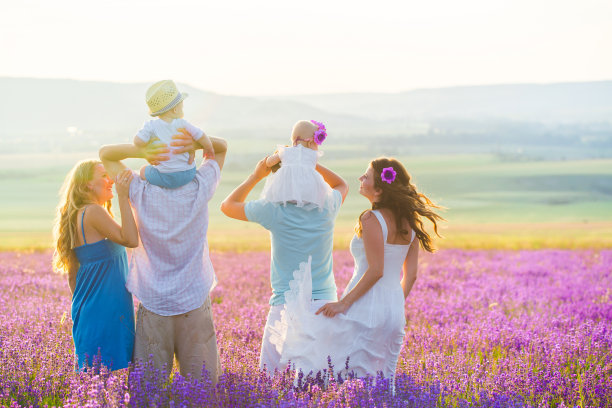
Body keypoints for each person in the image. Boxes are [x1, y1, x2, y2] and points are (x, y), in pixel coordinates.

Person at [274, 157, 444, 382]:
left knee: (338, 368)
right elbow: (411, 276)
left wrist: (344, 303)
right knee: (383, 378)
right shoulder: (410, 224)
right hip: (394, 310)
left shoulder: (371, 218)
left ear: (380, 188)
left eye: (366, 176)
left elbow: (376, 270)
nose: (361, 179)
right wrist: (392, 303)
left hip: (362, 306)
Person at [99, 127, 227, 384]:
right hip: (194, 298)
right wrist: (194, 142)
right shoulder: (201, 185)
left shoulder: (139, 189)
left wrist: (143, 150)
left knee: (149, 389)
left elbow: (106, 155)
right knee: (201, 387)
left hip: (155, 301)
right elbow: (221, 147)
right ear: (188, 159)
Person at [220, 123, 349, 375]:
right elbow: (342, 184)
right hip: (325, 306)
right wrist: (310, 161)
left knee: (272, 381)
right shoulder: (327, 207)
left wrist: (257, 175)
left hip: (284, 307)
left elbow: (228, 205)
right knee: (323, 383)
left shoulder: (273, 211)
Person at [52, 160, 138, 371]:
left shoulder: (77, 215)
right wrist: (123, 196)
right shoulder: (93, 212)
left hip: (89, 310)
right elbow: (131, 239)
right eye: (103, 176)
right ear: (88, 184)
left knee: (94, 382)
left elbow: (72, 276)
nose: (109, 180)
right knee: (109, 382)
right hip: (107, 311)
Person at [134, 79, 214, 188]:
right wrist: (208, 148)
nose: (183, 108)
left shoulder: (151, 126)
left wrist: (146, 145)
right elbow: (200, 135)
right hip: (188, 173)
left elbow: (138, 141)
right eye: (182, 106)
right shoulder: (183, 124)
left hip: (164, 176)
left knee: (143, 170)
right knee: (190, 163)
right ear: (175, 109)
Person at [261, 120, 335, 210]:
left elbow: (269, 163)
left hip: (286, 190)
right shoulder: (313, 155)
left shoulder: (286, 151)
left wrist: (269, 159)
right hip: (307, 192)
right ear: (310, 142)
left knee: (277, 198)